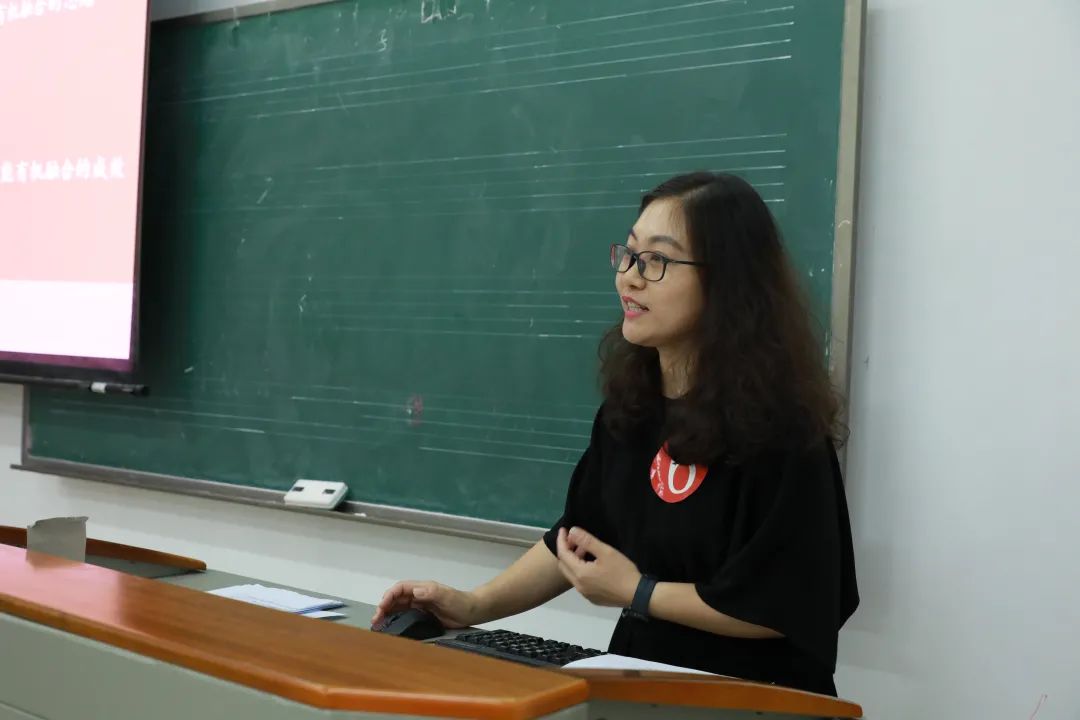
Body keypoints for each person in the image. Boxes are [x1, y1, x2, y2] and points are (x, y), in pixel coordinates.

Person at [372, 171, 859, 696]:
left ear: (727, 283)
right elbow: (578, 537)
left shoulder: (783, 432)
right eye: (628, 255)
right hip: (641, 682)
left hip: (757, 696)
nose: (629, 278)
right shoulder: (633, 409)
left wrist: (637, 591)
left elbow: (784, 603)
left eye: (657, 261)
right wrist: (473, 605)